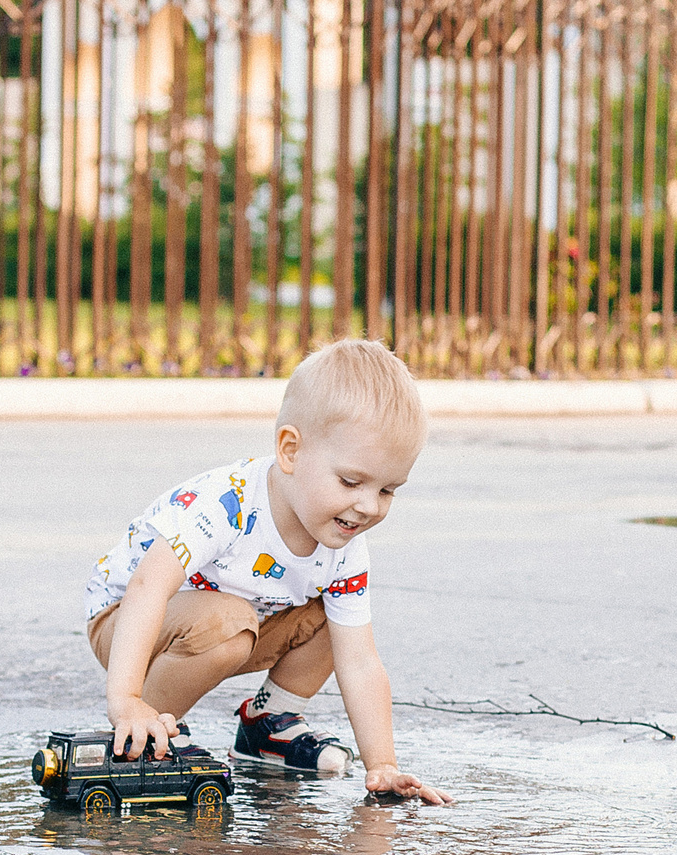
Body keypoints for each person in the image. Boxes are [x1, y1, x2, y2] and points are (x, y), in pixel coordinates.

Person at [83, 338, 452, 805]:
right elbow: (147, 588)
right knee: (228, 623)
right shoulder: (227, 504)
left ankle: (268, 725)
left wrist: (383, 765)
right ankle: (141, 735)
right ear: (291, 450)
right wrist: (126, 701)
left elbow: (359, 661)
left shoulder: (345, 547)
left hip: (238, 623)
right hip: (125, 621)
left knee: (335, 619)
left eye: (388, 490)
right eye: (351, 481)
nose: (367, 506)